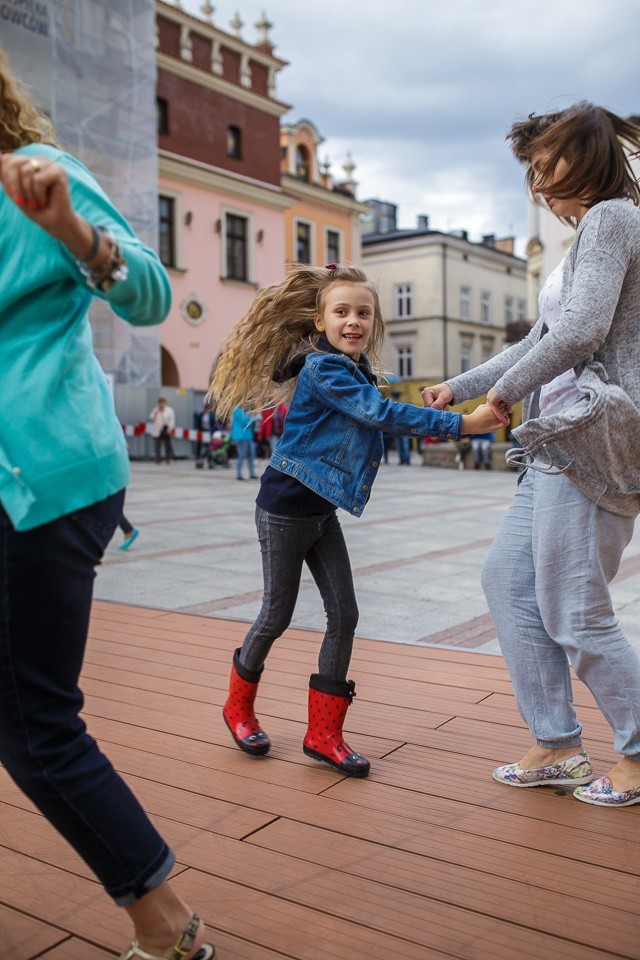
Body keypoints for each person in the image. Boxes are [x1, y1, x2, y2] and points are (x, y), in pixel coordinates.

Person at [0, 46, 214, 959]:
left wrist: (74, 234)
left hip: (38, 481)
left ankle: (163, 925)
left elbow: (152, 293)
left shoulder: (35, 181)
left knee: (34, 724)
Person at [423, 102, 640, 808]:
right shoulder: (586, 239)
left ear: (587, 157)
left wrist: (499, 401)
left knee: (576, 610)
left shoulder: (613, 218)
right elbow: (539, 339)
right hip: (554, 442)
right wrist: (464, 385)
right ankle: (557, 745)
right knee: (508, 585)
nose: (538, 184)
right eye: (533, 171)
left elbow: (579, 333)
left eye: (547, 167)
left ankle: (638, 749)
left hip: (588, 442)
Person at [208, 263, 500, 778]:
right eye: (341, 312)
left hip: (320, 508)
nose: (353, 321)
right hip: (285, 507)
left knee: (344, 615)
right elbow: (380, 414)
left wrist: (437, 400)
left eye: (363, 313)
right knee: (276, 615)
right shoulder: (325, 370)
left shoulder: (354, 368)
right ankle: (238, 709)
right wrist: (464, 423)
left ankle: (323, 734)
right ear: (319, 322)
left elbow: (377, 409)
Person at [230, 404, 257, 480]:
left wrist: (252, 418)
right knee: (241, 455)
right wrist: (253, 418)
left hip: (248, 437)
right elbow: (246, 422)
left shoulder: (245, 412)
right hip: (240, 437)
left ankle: (252, 473)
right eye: (246, 403)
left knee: (251, 455)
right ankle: (238, 474)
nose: (247, 405)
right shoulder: (237, 411)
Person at [149, 397, 175, 464]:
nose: (161, 405)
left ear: (165, 403)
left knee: (167, 445)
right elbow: (151, 418)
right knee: (157, 445)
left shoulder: (169, 410)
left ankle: (168, 459)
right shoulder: (155, 409)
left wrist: (170, 428)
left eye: (163, 403)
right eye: (160, 403)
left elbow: (171, 420)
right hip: (157, 429)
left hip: (166, 429)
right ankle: (158, 459)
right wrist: (156, 411)